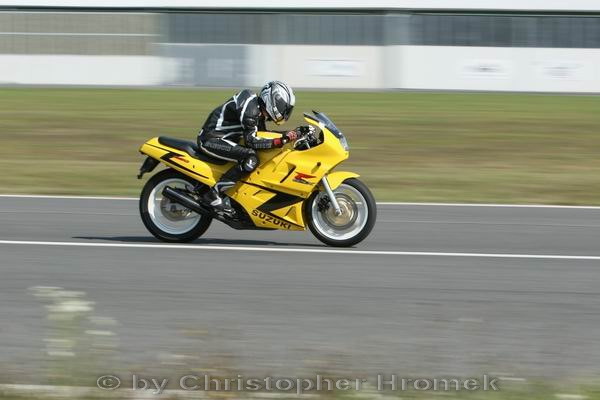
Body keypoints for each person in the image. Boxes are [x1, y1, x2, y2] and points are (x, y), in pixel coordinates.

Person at [197, 81, 299, 212]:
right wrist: (281, 141)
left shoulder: (257, 108)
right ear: (273, 100)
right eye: (284, 107)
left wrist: (291, 134)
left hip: (223, 139)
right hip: (211, 139)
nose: (285, 111)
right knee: (251, 157)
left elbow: (264, 135)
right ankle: (213, 195)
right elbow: (252, 141)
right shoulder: (250, 110)